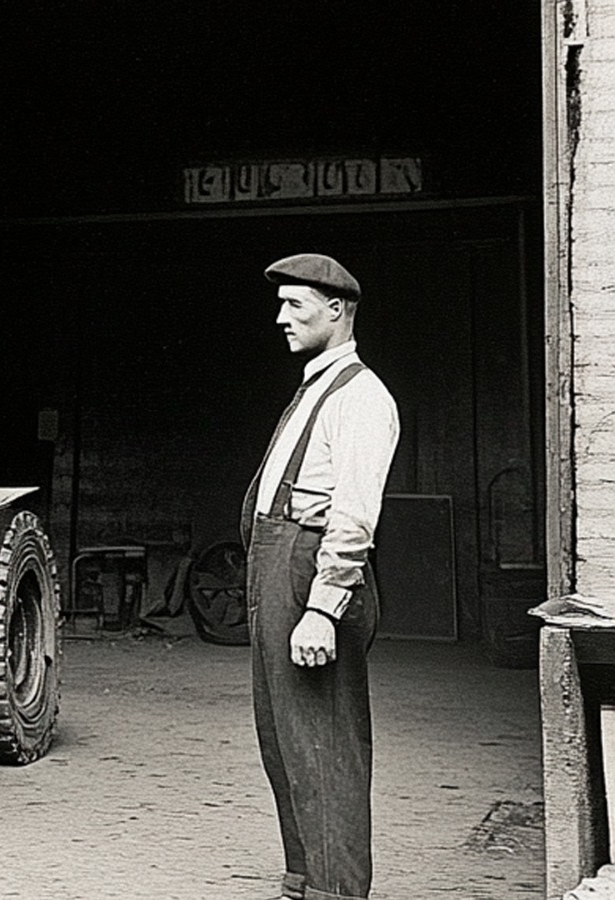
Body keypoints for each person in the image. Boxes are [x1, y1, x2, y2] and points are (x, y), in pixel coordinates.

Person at [244, 253, 400, 900]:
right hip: (277, 565)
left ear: (336, 311)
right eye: (280, 305)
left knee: (326, 744)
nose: (282, 318)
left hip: (310, 572)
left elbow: (355, 514)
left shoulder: (361, 396)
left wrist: (322, 607)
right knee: (285, 739)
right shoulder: (315, 385)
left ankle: (337, 890)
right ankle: (306, 878)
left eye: (296, 306)